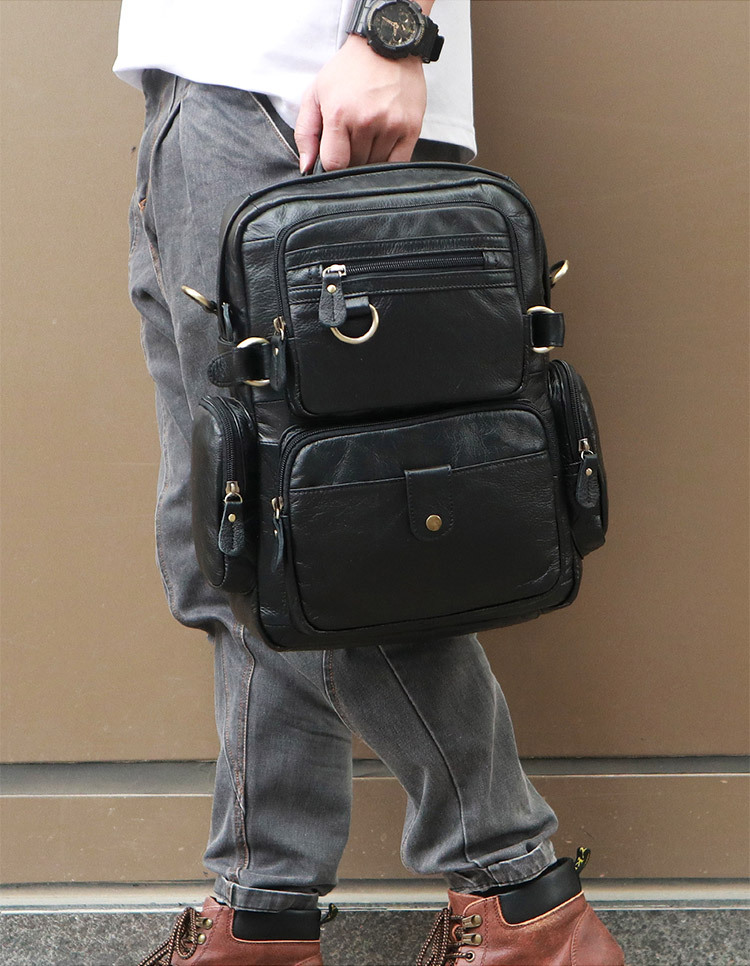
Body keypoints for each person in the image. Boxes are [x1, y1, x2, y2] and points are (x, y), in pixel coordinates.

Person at [115, 2, 626, 964]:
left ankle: (522, 899)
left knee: (342, 545)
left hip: (297, 98)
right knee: (232, 540)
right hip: (212, 95)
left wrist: (390, 31)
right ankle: (263, 913)